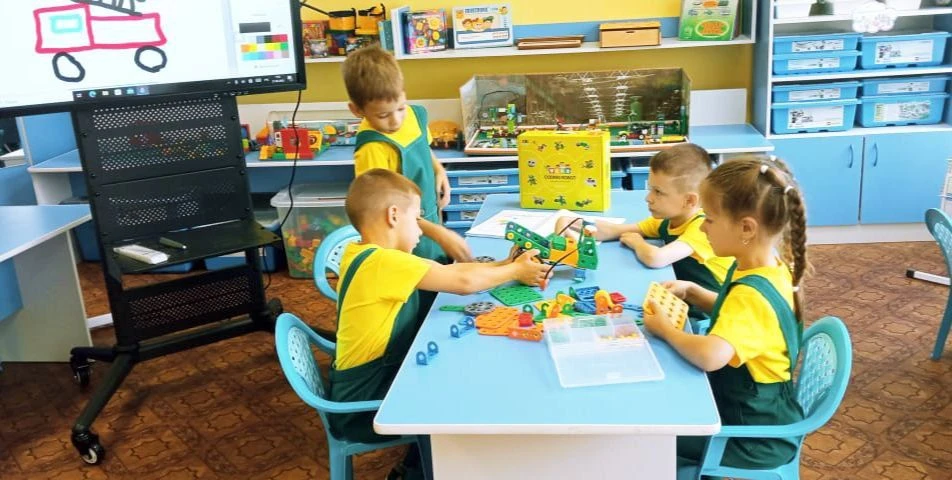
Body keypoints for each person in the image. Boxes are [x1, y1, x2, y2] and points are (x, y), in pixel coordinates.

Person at [329, 169, 550, 479]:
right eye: (417, 218)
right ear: (394, 215)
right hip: (366, 404)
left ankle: (416, 464)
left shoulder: (366, 253)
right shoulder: (384, 263)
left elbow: (453, 273)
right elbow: (462, 282)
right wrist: (514, 272)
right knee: (461, 396)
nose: (421, 231)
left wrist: (507, 264)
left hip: (372, 382)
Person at [642, 155, 810, 469]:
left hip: (751, 436)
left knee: (644, 434)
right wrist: (694, 291)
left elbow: (710, 355)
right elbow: (737, 319)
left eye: (709, 219)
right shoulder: (765, 266)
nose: (701, 227)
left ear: (746, 228)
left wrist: (667, 331)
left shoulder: (751, 296)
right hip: (754, 411)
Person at [555, 143, 733, 324]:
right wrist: (574, 222)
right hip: (684, 300)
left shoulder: (702, 227)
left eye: (658, 192)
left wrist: (638, 243)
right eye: (650, 189)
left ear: (689, 200)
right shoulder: (667, 220)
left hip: (711, 314)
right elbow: (614, 231)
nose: (648, 198)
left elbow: (656, 258)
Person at [342, 45, 470, 265]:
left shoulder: (414, 116)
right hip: (402, 233)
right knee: (421, 278)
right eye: (383, 115)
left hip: (430, 215)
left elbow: (424, 149)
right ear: (357, 110)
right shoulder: (372, 148)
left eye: (401, 108)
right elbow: (379, 211)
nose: (396, 121)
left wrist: (439, 171)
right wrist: (438, 233)